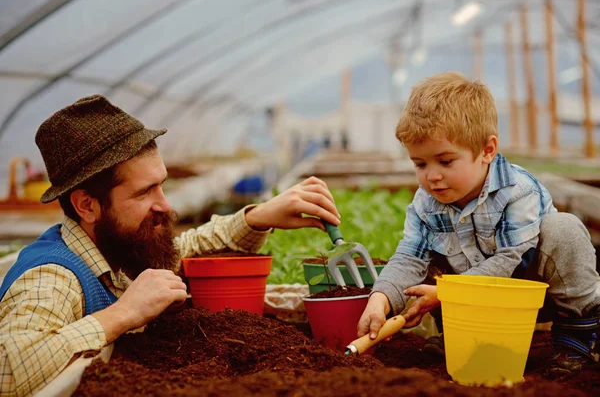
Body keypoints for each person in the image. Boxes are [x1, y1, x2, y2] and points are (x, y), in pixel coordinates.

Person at [0, 95, 341, 397]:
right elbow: (9, 373)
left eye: (161, 185)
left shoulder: (117, 249)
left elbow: (187, 247)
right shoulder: (50, 278)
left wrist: (257, 218)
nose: (164, 204)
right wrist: (123, 314)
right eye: (143, 192)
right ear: (87, 205)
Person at [357, 72, 599, 374]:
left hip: (535, 292)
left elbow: (510, 260)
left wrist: (449, 293)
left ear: (487, 151)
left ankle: (578, 336)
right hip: (475, 304)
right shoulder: (426, 203)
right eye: (420, 164)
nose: (432, 176)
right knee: (429, 255)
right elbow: (409, 256)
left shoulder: (517, 190)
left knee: (563, 229)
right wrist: (380, 299)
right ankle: (461, 334)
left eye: (445, 161)